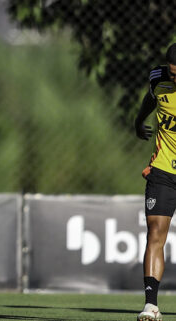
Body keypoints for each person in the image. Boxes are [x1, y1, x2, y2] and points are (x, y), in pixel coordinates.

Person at [134, 43, 176, 321]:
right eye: (172, 73)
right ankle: (151, 305)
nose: (174, 78)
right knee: (155, 232)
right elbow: (151, 98)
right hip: (163, 170)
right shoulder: (158, 78)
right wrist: (139, 120)